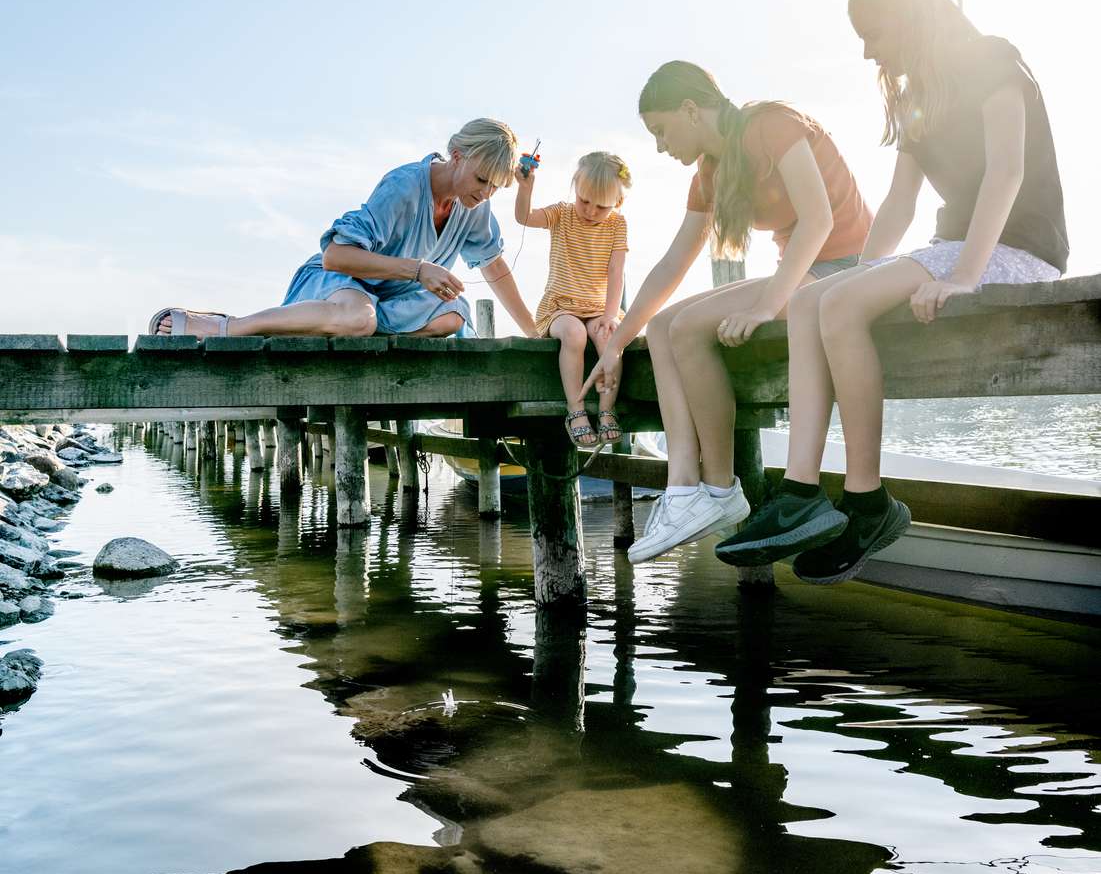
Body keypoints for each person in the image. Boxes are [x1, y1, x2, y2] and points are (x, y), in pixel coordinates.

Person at [721, 0, 1069, 583]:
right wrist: (861, 272)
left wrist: (966, 273)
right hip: (950, 249)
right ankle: (800, 493)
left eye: (872, 35)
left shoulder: (992, 59)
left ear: (908, 18)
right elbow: (902, 202)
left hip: (1016, 250)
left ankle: (867, 502)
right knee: (811, 301)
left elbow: (1007, 172)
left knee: (841, 305)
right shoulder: (915, 98)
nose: (865, 54)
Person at [582, 62, 872, 563]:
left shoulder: (771, 124)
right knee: (664, 325)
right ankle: (684, 490)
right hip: (800, 275)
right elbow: (674, 262)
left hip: (847, 271)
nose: (659, 145)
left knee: (692, 328)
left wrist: (766, 304)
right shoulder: (709, 175)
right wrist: (615, 344)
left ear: (691, 110)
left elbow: (819, 220)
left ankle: (720, 490)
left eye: (661, 129)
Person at [149, 118, 538, 340]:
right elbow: (336, 256)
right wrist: (418, 270)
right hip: (338, 283)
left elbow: (495, 268)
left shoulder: (473, 207)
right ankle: (228, 327)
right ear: (457, 157)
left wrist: (534, 335)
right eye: (483, 180)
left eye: (495, 188)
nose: (486, 194)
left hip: (386, 305)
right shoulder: (403, 186)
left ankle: (362, 340)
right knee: (359, 318)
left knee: (455, 313)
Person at [517, 150, 631, 447]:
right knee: (574, 333)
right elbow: (524, 217)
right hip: (560, 308)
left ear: (617, 203)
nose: (591, 210)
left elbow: (616, 272)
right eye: (584, 200)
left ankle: (607, 409)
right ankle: (575, 409)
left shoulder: (617, 224)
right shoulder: (562, 214)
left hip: (598, 308)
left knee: (609, 338)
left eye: (601, 206)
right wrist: (525, 187)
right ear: (575, 189)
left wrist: (609, 315)